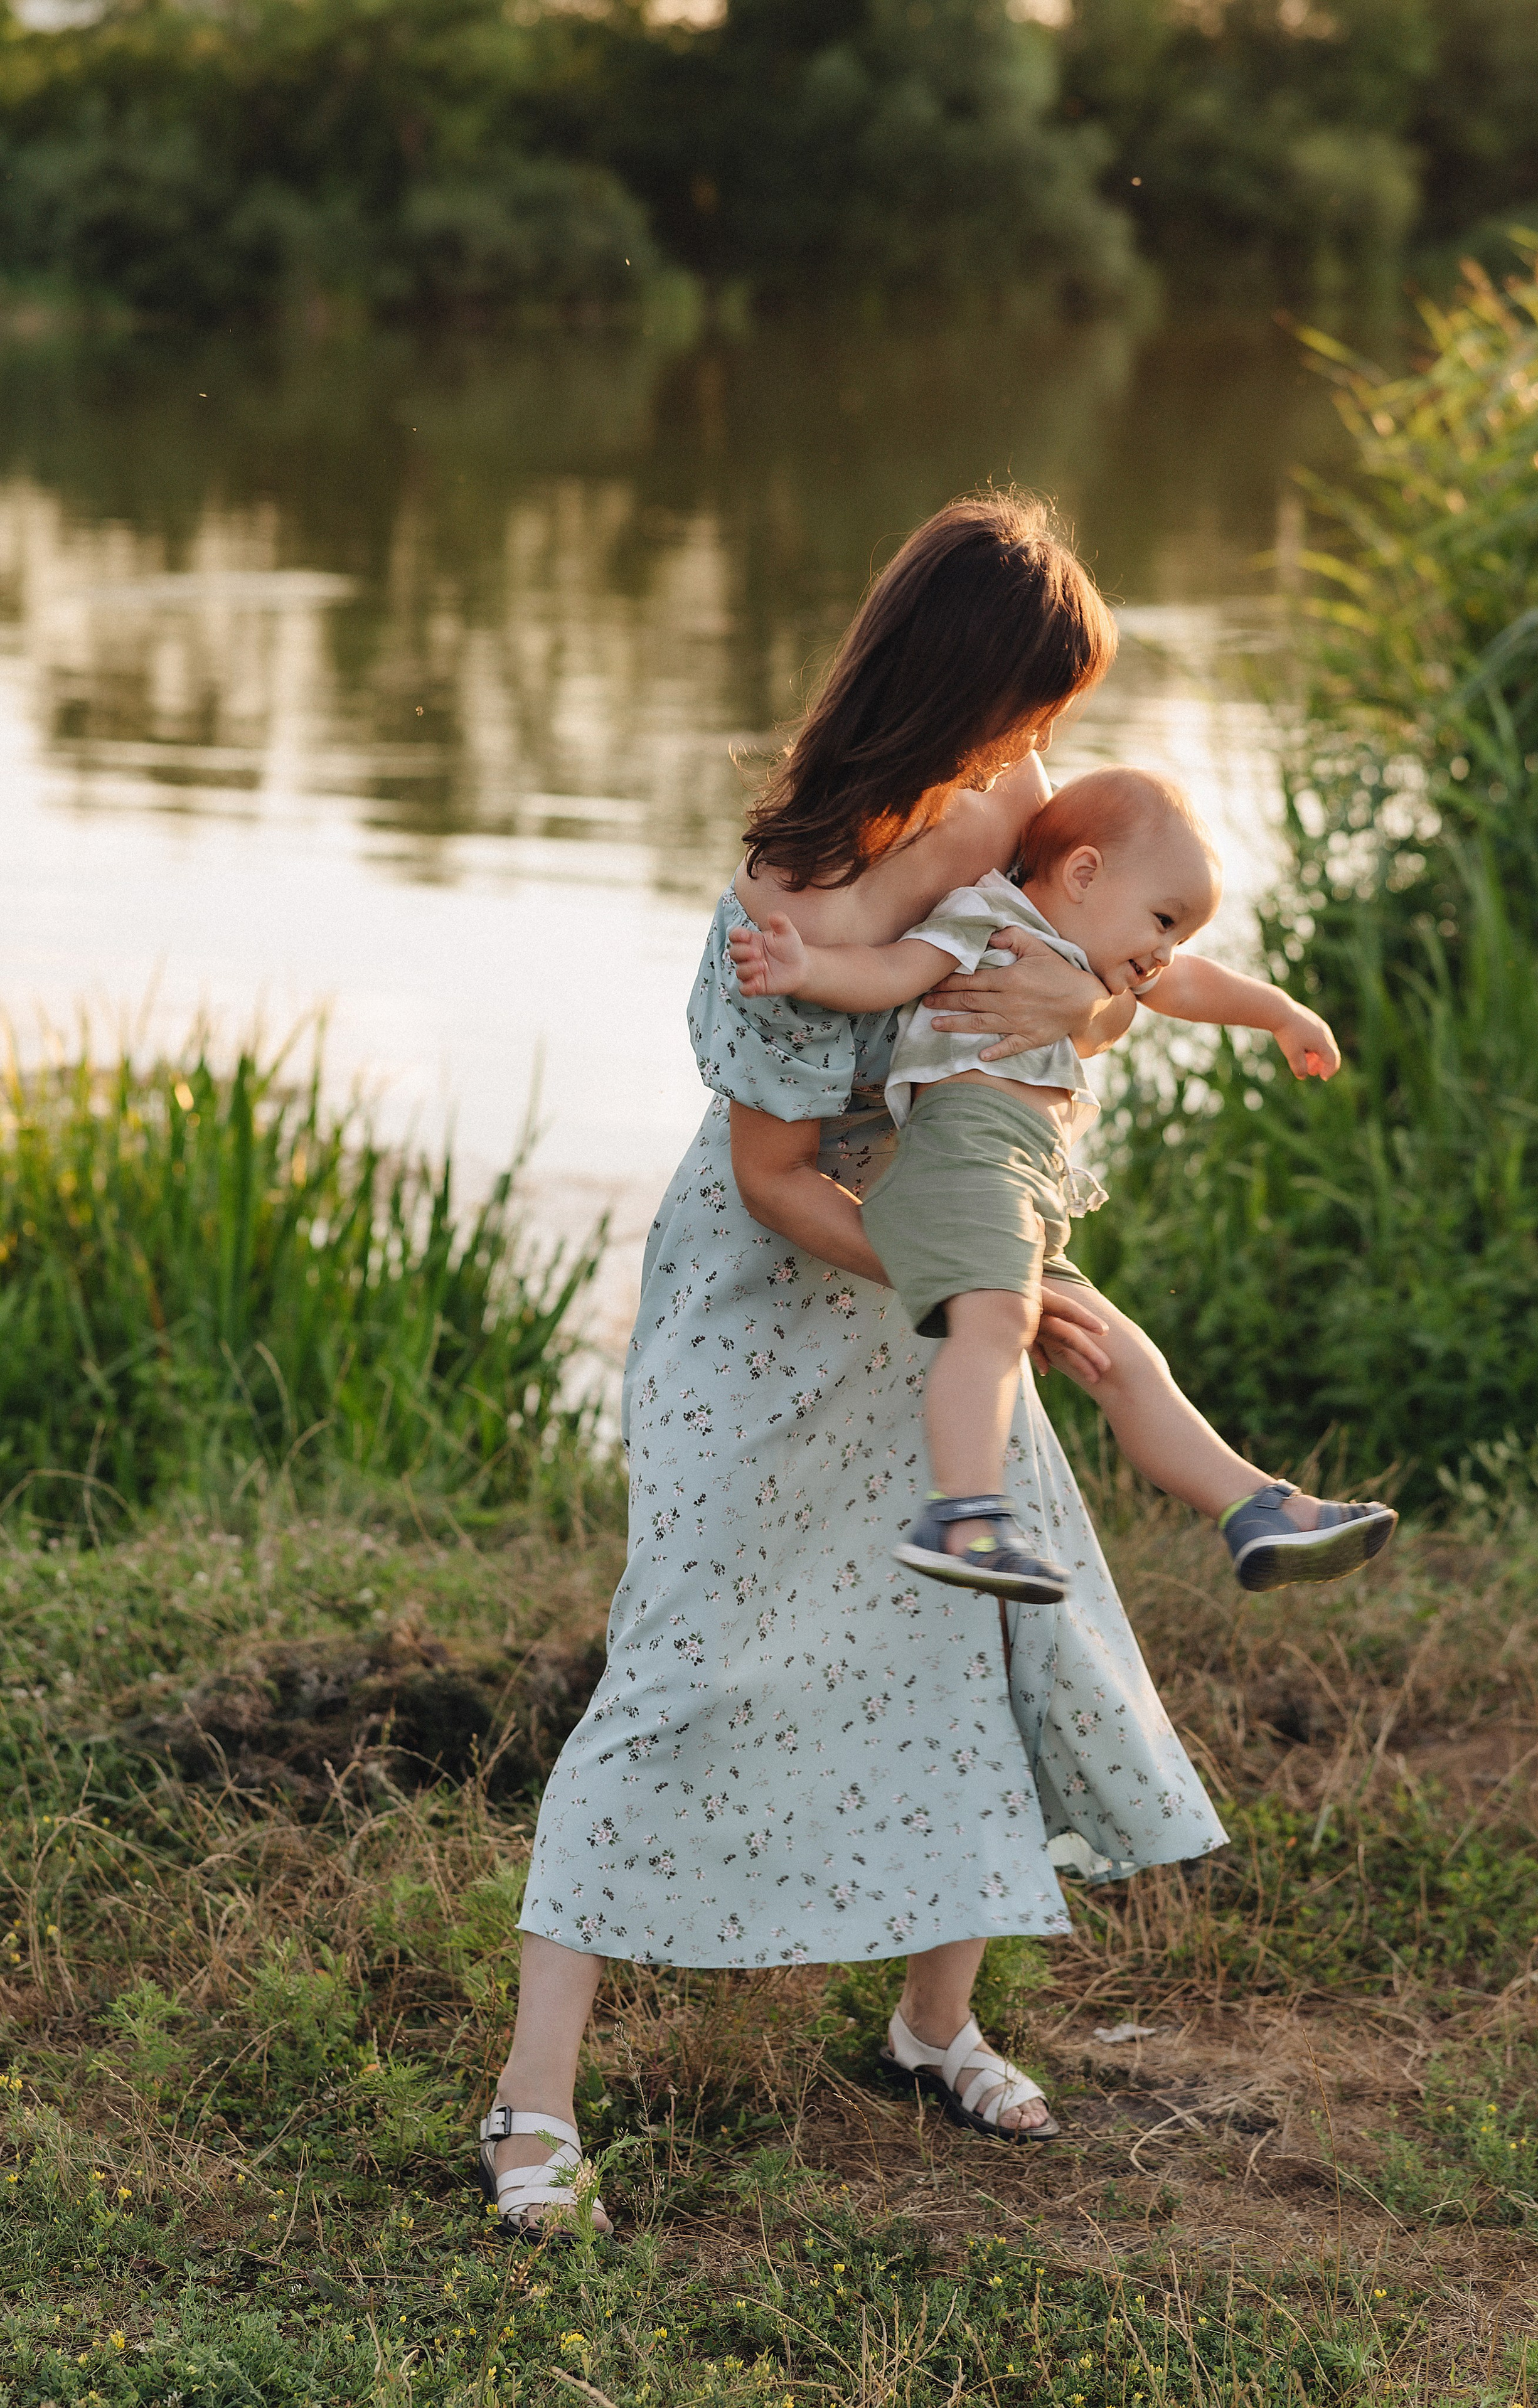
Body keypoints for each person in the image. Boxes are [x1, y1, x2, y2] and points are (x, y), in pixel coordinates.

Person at [477, 493, 1230, 2242]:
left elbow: (1102, 968)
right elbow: (774, 1176)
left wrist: (1090, 1014)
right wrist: (981, 1285)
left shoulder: (1013, 825)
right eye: (1030, 713)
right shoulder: (801, 884)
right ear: (954, 686)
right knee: (683, 1670)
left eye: (1059, 723)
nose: (1046, 759)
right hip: (782, 1301)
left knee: (971, 1640)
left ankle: (931, 2022)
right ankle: (532, 2092)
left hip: (943, 1298)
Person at [727, 763, 1397, 1602]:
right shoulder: (989, 917)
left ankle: (1256, 1507)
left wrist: (1282, 1013)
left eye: (1178, 934)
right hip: (963, 1157)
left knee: (1118, 1353)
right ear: (1084, 872)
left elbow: (1187, 985)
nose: (1163, 951)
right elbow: (892, 972)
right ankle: (965, 1518)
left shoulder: (1105, 963)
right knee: (1001, 1320)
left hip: (1026, 1180)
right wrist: (804, 970)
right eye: (1162, 921)